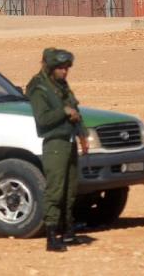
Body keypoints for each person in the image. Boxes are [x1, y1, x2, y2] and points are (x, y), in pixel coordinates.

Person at [27, 47, 89, 252]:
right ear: (50, 67)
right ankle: (52, 236)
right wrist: (63, 111)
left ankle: (69, 231)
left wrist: (82, 135)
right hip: (55, 144)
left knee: (70, 189)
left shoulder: (61, 85)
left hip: (69, 140)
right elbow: (43, 119)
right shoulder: (39, 88)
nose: (65, 72)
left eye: (66, 68)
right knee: (55, 190)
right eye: (61, 68)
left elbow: (75, 109)